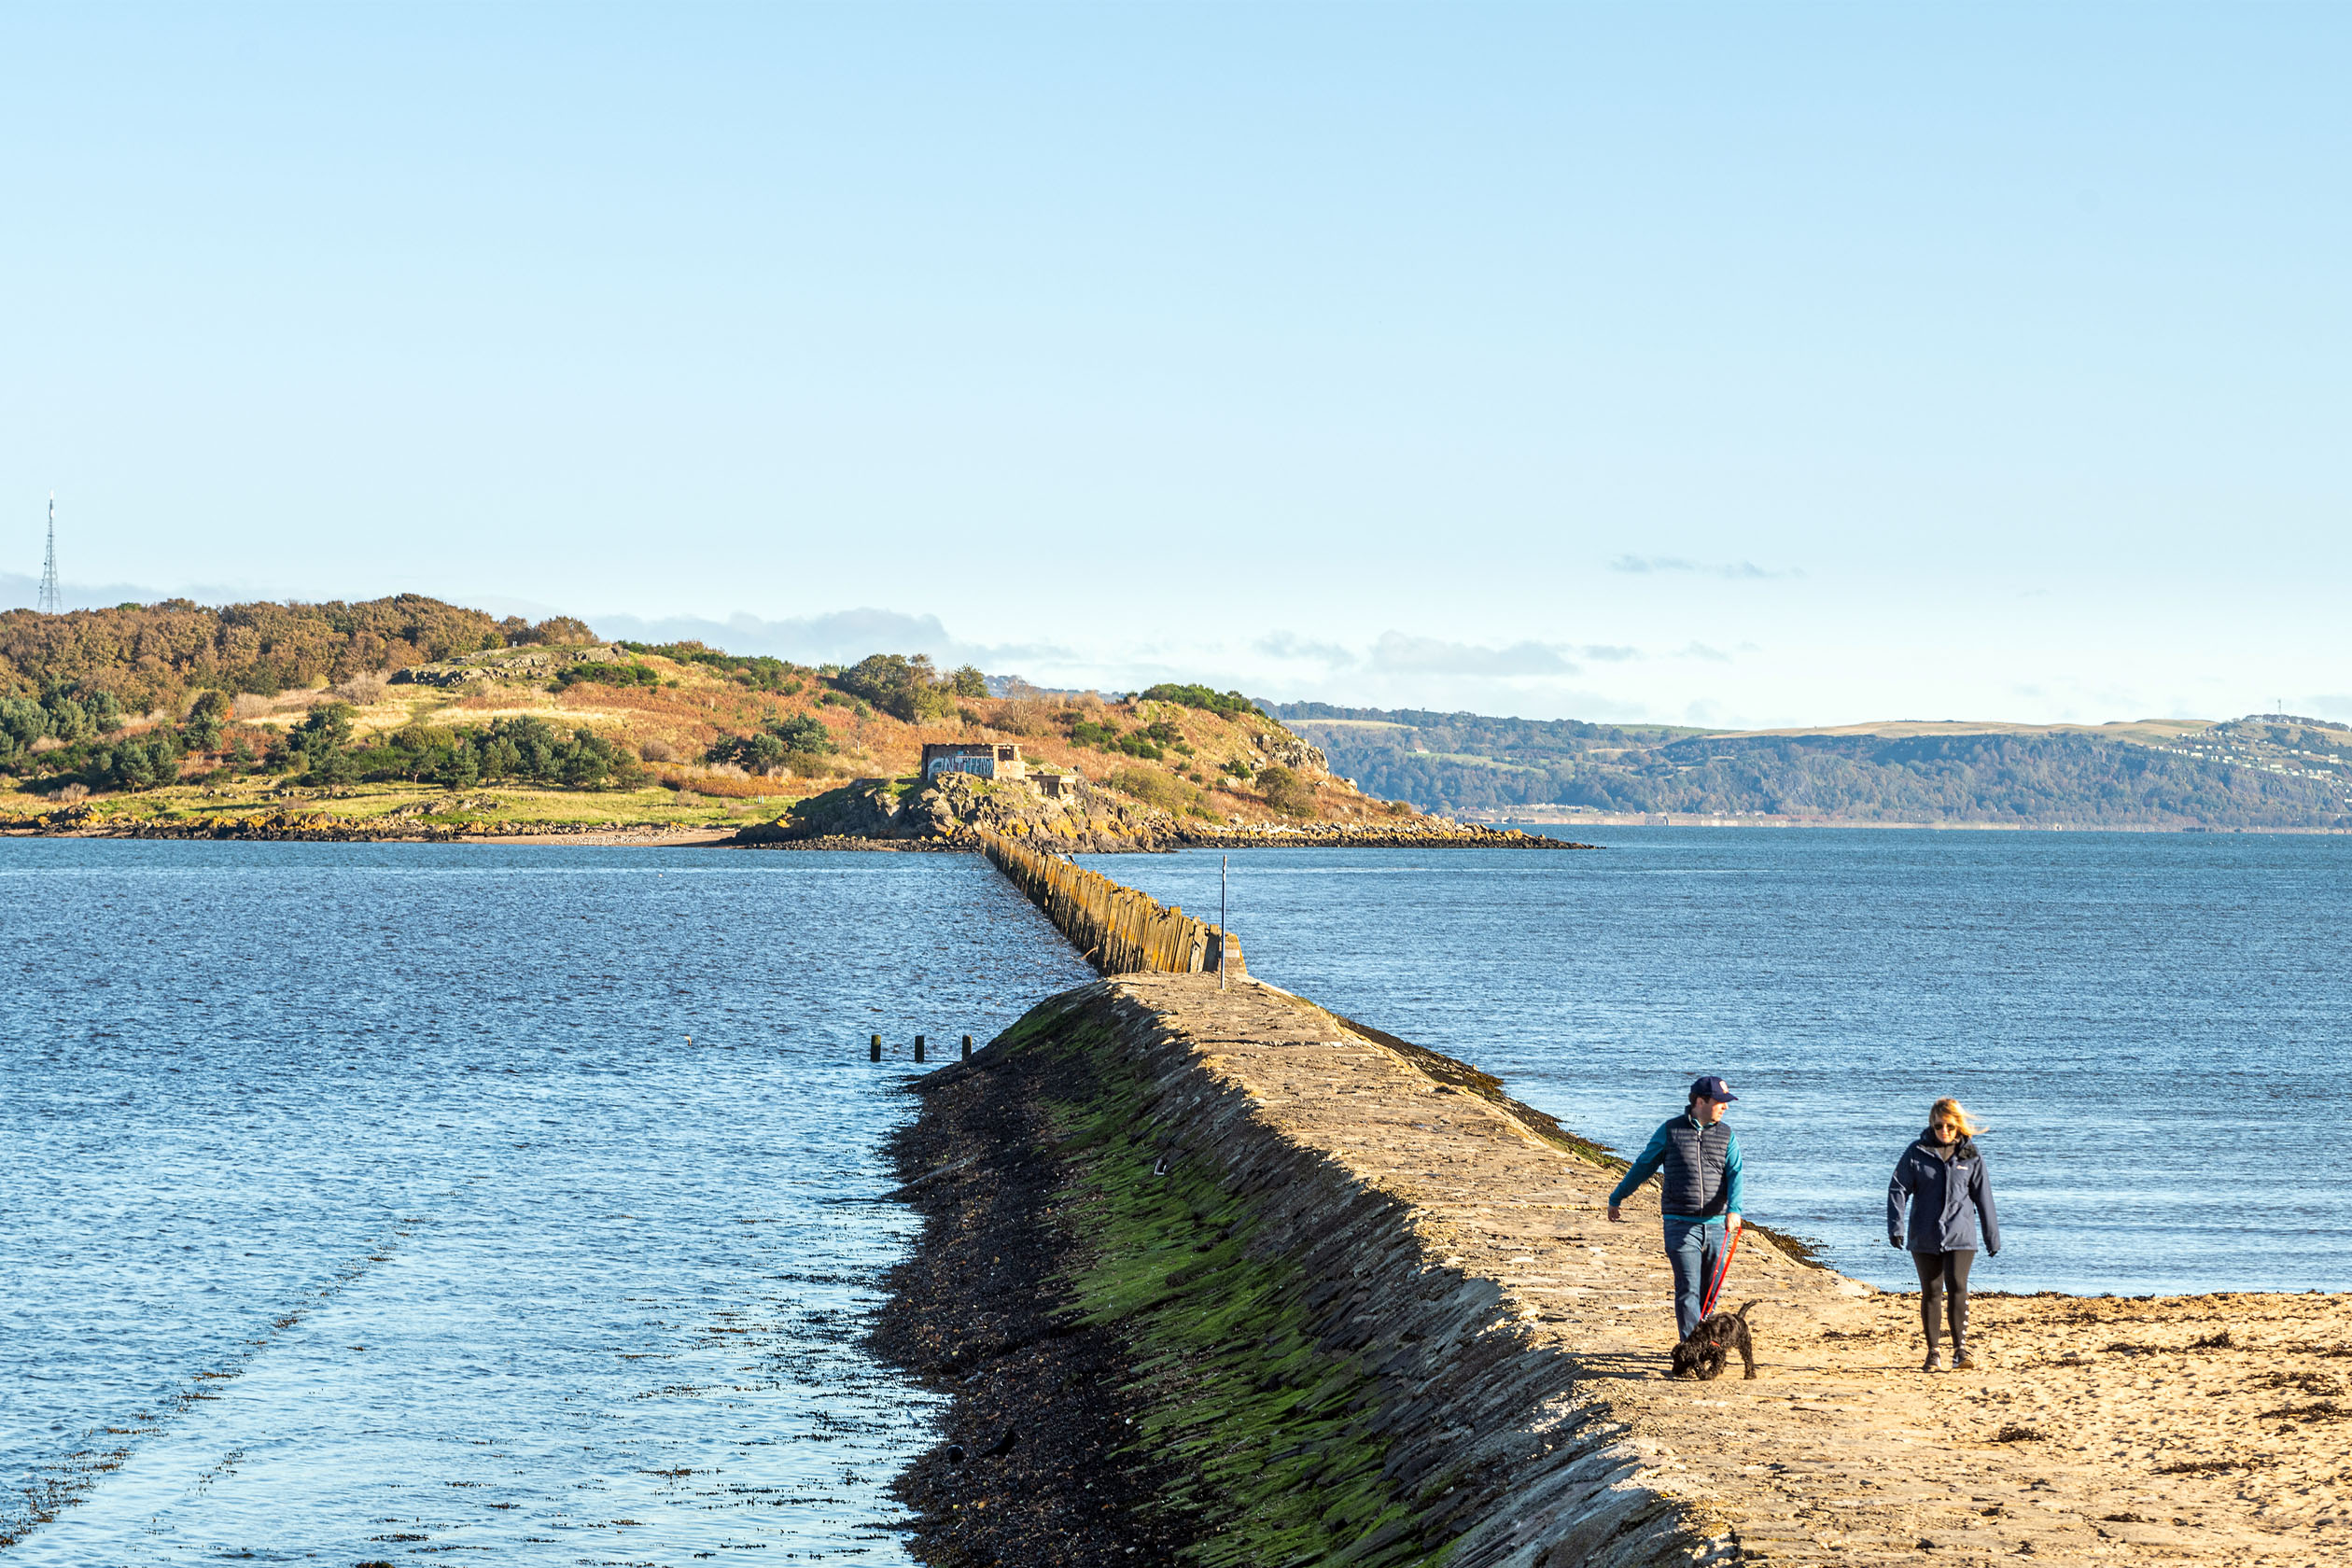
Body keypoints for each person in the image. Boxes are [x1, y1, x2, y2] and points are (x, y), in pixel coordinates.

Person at [1606, 1076, 1744, 1341]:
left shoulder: (1727, 1134)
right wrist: (1618, 1196)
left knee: (1710, 1291)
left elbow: (1735, 1173)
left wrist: (1734, 1209)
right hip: (1680, 1224)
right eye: (1720, 1102)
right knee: (1688, 1289)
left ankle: (1703, 1338)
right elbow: (1643, 1166)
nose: (1725, 1107)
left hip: (1717, 1225)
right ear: (1700, 1101)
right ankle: (1692, 1347)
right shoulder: (1670, 1131)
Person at [1887, 1097, 2000, 1372]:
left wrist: (1991, 1236)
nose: (1944, 1131)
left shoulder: (1970, 1155)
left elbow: (1984, 1197)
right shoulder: (1916, 1152)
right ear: (1932, 1124)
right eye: (1939, 1126)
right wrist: (1896, 1226)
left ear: (1958, 1125)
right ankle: (1933, 1353)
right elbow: (1898, 1188)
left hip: (1961, 1234)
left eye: (1950, 1126)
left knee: (1958, 1286)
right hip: (1924, 1235)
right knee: (1932, 1291)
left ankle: (1961, 1351)